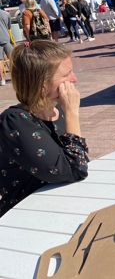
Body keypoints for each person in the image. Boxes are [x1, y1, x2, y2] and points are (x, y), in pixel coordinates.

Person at [0, 41, 89, 217]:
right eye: (67, 74)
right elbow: (74, 169)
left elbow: (77, 158)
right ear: (41, 85)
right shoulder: (15, 122)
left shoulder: (56, 110)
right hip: (25, 216)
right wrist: (72, 113)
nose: (74, 79)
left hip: (59, 204)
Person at [0, 8, 13, 86]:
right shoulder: (6, 14)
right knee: (12, 57)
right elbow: (9, 27)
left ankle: (2, 79)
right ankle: (16, 76)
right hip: (5, 38)